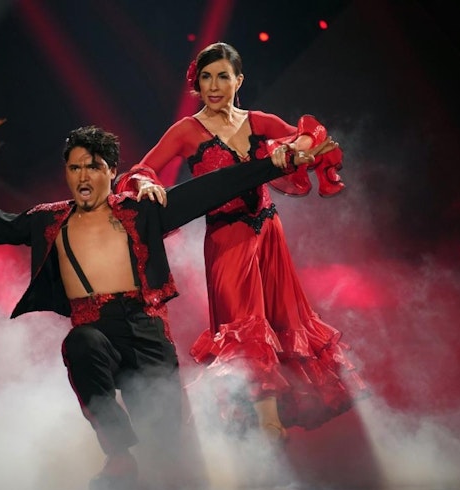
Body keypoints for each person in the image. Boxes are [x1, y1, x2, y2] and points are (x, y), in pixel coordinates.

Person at [0, 125, 323, 490]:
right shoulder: (49, 221)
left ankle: (178, 476)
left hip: (147, 331)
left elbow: (211, 189)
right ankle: (119, 454)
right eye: (74, 168)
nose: (82, 176)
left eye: (93, 167)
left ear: (111, 171)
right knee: (79, 344)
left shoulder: (142, 210)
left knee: (172, 465)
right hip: (96, 330)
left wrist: (277, 163)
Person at [115, 42, 368, 453]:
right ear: (197, 83)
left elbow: (311, 135)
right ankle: (267, 427)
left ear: (239, 81)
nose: (214, 86)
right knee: (243, 326)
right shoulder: (186, 130)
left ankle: (272, 429)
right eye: (206, 77)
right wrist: (145, 183)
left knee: (281, 323)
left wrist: (294, 149)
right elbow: (142, 168)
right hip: (226, 237)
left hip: (268, 232)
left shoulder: (257, 121)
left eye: (223, 77)